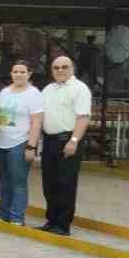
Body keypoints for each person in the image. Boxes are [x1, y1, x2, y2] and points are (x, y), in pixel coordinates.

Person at [38, 56, 91, 236]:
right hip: (49, 141)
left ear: (72, 68)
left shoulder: (80, 89)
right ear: (52, 70)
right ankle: (51, 220)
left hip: (68, 140)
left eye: (64, 67)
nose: (60, 70)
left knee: (66, 183)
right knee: (49, 183)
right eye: (56, 67)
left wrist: (74, 141)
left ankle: (62, 224)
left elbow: (83, 117)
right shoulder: (47, 89)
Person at [0, 60, 43, 226]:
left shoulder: (33, 93)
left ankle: (17, 217)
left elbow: (36, 122)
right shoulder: (5, 92)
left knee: (18, 181)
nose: (18, 75)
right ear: (11, 74)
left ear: (29, 74)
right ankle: (3, 213)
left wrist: (31, 146)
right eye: (15, 71)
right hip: (0, 143)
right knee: (4, 181)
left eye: (22, 72)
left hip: (20, 142)